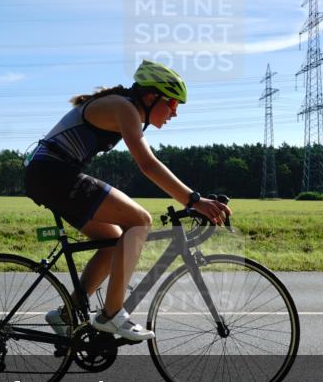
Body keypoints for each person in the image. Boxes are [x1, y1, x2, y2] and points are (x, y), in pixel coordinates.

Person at [23, 60, 231, 342]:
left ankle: (67, 314)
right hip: (53, 173)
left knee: (113, 240)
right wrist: (193, 200)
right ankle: (111, 314)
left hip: (48, 175)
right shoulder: (124, 108)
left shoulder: (123, 106)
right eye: (172, 103)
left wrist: (192, 199)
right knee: (140, 220)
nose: (175, 112)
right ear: (151, 97)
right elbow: (148, 164)